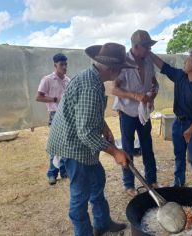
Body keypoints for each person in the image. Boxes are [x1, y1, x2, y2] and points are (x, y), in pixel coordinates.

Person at [47, 43, 135, 236]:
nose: (122, 72)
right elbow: (86, 132)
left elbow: (86, 112)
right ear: (112, 69)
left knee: (97, 180)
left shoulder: (93, 78)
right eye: (121, 68)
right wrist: (115, 152)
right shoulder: (90, 86)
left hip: (82, 142)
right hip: (72, 146)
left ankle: (102, 224)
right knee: (80, 196)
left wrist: (104, 127)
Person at [150, 49, 192, 190]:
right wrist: (150, 54)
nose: (185, 62)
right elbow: (165, 67)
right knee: (179, 155)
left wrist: (190, 130)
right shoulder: (180, 76)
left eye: (188, 60)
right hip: (178, 123)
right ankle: (179, 182)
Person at [112, 30, 159, 197]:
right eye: (146, 47)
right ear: (136, 46)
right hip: (126, 112)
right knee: (128, 148)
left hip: (143, 112)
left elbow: (155, 84)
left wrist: (152, 94)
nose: (149, 50)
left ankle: (152, 180)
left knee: (147, 145)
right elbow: (114, 89)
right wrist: (134, 95)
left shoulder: (148, 61)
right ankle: (129, 184)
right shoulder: (123, 62)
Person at [36, 53, 70, 185]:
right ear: (55, 65)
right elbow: (38, 97)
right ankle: (52, 173)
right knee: (55, 144)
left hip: (67, 114)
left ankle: (64, 171)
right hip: (55, 114)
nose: (64, 67)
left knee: (66, 143)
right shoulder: (47, 79)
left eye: (66, 64)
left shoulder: (68, 80)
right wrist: (55, 99)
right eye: (62, 64)